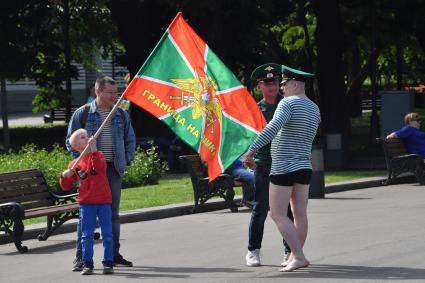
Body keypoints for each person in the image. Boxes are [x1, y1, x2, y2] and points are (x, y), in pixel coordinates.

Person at [245, 65, 321, 272]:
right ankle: (295, 256)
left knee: (278, 214)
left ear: (295, 84)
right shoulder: (314, 108)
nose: (282, 88)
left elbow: (272, 127)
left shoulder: (287, 103)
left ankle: (298, 255)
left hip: (283, 165)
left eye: (285, 83)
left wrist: (251, 150)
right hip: (304, 165)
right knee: (300, 214)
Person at [66, 76, 136, 271]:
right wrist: (81, 162)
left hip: (112, 169)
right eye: (110, 93)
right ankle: (81, 257)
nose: (115, 96)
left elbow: (130, 139)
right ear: (98, 92)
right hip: (91, 171)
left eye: (116, 92)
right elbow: (69, 141)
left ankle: (113, 254)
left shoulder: (121, 114)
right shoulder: (84, 114)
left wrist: (126, 159)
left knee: (112, 213)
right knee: (86, 216)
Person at [244, 63, 293, 267]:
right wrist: (249, 155)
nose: (271, 85)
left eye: (274, 81)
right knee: (261, 207)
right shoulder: (255, 109)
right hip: (263, 163)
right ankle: (253, 250)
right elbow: (248, 134)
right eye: (266, 82)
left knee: (287, 209)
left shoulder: (288, 104)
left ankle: (290, 250)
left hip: (284, 162)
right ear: (259, 86)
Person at [60, 128, 114, 275]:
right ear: (77, 146)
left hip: (103, 200)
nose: (88, 138)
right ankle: (87, 263)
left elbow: (99, 168)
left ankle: (108, 262)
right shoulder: (74, 164)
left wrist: (94, 149)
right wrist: (65, 175)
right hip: (86, 203)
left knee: (107, 234)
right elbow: (65, 186)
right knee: (87, 235)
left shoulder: (99, 155)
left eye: (86, 135)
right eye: (83, 137)